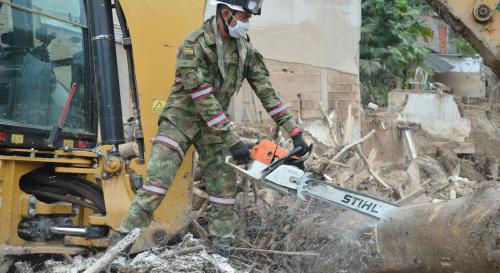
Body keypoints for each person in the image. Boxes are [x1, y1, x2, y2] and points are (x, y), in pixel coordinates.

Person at [113, 0, 309, 257]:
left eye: (249, 17)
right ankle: (117, 250)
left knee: (223, 192)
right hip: (179, 122)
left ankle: (220, 256)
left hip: (214, 129)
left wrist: (295, 133)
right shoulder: (194, 46)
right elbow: (203, 98)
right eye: (242, 16)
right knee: (156, 188)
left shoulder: (245, 51)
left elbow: (267, 93)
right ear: (224, 12)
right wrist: (233, 141)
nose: (246, 22)